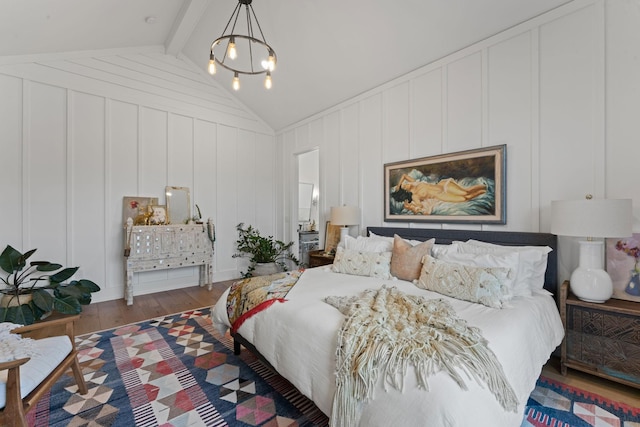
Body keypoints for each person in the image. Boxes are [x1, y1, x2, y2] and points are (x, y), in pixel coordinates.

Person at [391, 173, 487, 214]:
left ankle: (486, 187)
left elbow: (404, 176)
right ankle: (484, 191)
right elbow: (419, 208)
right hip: (442, 195)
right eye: (404, 186)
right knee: (465, 198)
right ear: (405, 192)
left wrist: (399, 185)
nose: (406, 184)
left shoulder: (415, 183)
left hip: (443, 186)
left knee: (466, 191)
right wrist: (410, 207)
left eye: (404, 184)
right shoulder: (415, 197)